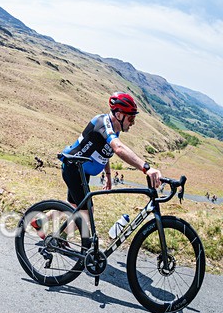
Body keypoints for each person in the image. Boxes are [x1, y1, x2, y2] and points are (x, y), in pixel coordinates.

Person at [32, 92, 161, 237]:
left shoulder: (114, 129)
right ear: (119, 115)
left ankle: (40, 221)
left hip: (81, 169)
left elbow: (105, 152)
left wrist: (108, 174)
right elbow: (117, 148)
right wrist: (146, 168)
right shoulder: (103, 124)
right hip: (73, 168)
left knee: (73, 206)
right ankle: (59, 238)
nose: (132, 123)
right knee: (87, 212)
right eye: (131, 118)